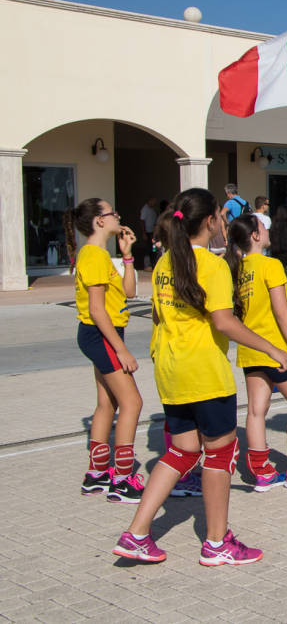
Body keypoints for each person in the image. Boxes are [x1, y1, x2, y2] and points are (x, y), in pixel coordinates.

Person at [114, 188, 287, 565]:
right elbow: (224, 321)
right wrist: (272, 348)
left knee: (181, 451)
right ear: (210, 221)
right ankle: (216, 542)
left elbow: (160, 318)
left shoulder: (165, 263)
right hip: (204, 372)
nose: (223, 222)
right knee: (220, 453)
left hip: (171, 369)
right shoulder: (212, 267)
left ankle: (136, 533)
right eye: (220, 216)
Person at [226, 215, 287, 493]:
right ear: (255, 236)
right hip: (275, 350)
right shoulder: (270, 265)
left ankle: (263, 472)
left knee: (257, 410)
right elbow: (283, 313)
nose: (267, 230)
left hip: (250, 348)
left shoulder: (236, 268)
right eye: (262, 228)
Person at [64, 198, 145, 503]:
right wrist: (122, 350)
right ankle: (122, 480)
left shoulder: (99, 255)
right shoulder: (93, 256)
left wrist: (127, 257)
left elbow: (129, 292)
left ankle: (96, 475)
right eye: (112, 212)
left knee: (107, 404)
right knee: (132, 402)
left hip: (102, 334)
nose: (118, 216)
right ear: (100, 221)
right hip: (101, 335)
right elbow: (97, 311)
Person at [139, 197, 159, 269]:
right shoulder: (145, 209)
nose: (155, 203)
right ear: (150, 201)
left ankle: (153, 264)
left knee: (153, 249)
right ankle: (147, 265)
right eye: (154, 201)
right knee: (148, 249)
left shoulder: (152, 209)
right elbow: (142, 221)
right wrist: (144, 233)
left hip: (152, 232)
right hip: (147, 232)